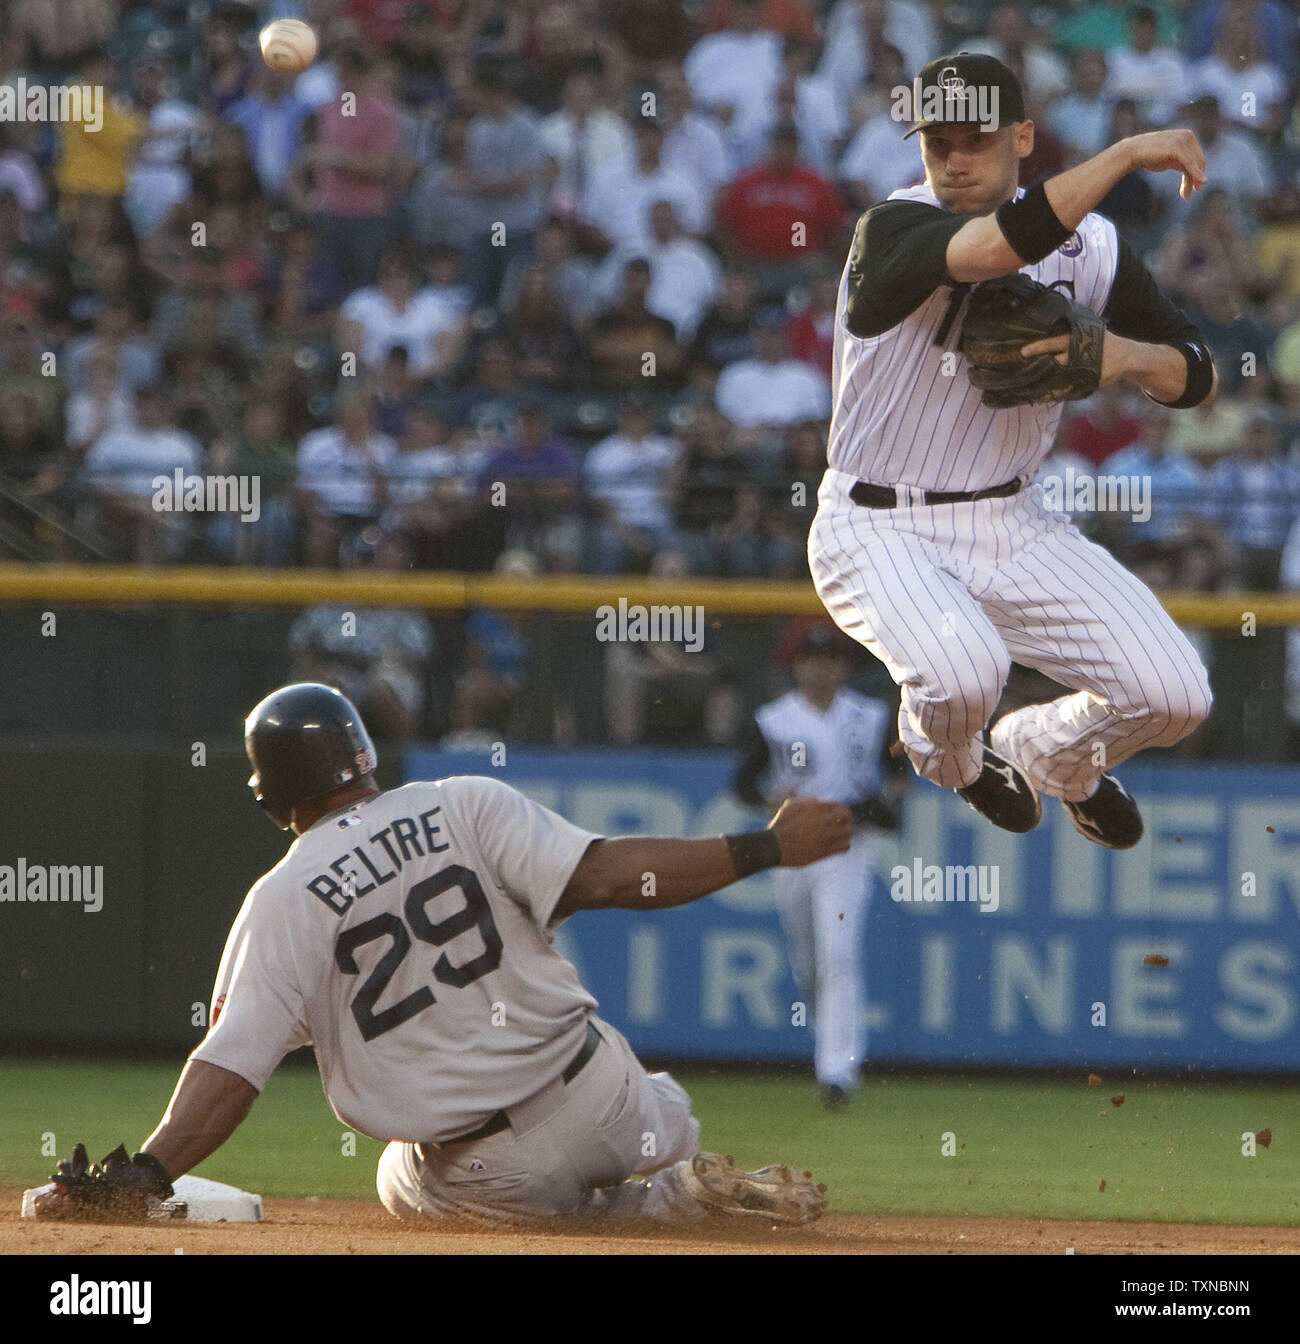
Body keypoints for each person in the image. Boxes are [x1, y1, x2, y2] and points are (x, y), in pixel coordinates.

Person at [37, 683, 849, 1227]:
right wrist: (765, 848)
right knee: (657, 1102)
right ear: (364, 754)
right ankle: (673, 1158)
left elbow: (231, 1071)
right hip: (610, 1093)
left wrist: (147, 1172)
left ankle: (665, 1206)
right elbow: (609, 877)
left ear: (269, 793)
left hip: (491, 1164)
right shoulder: (466, 800)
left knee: (400, 1177)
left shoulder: (282, 900)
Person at [807, 52, 1218, 851]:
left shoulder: (1091, 250)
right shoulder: (892, 228)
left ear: (1024, 137)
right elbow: (999, 249)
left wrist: (1123, 359)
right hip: (878, 527)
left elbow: (1196, 374)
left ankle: (1050, 755)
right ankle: (952, 761)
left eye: (978, 140)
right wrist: (1129, 152)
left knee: (1176, 696)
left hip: (1015, 522)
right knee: (966, 676)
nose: (955, 160)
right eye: (938, 143)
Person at [732, 625, 904, 1107]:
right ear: (797, 665)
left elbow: (897, 773)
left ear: (844, 666)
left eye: (830, 659)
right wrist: (769, 798)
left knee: (840, 955)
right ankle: (829, 1037)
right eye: (811, 658)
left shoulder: (870, 715)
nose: (820, 666)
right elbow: (743, 782)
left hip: (846, 846)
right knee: (809, 962)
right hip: (791, 848)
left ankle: (837, 1072)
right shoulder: (774, 719)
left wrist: (887, 799)